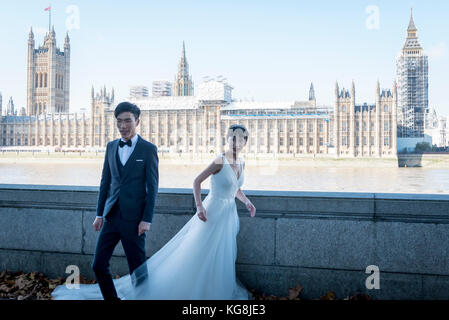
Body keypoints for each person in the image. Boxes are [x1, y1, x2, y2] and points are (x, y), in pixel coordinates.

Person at [52, 123, 255, 300]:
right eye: (232, 139)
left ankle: (215, 290)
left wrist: (246, 202)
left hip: (228, 215)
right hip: (211, 213)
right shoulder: (219, 160)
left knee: (222, 256)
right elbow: (196, 182)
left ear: (245, 142)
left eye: (240, 140)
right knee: (201, 254)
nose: (235, 143)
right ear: (227, 140)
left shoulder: (242, 162)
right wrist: (199, 206)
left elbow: (235, 188)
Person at [52, 101, 159, 300]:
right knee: (98, 265)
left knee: (138, 269)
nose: (123, 126)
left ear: (137, 121)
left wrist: (147, 219)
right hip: (111, 216)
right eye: (119, 121)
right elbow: (105, 183)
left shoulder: (148, 149)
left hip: (134, 219)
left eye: (127, 121)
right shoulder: (111, 147)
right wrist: (99, 214)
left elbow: (153, 187)